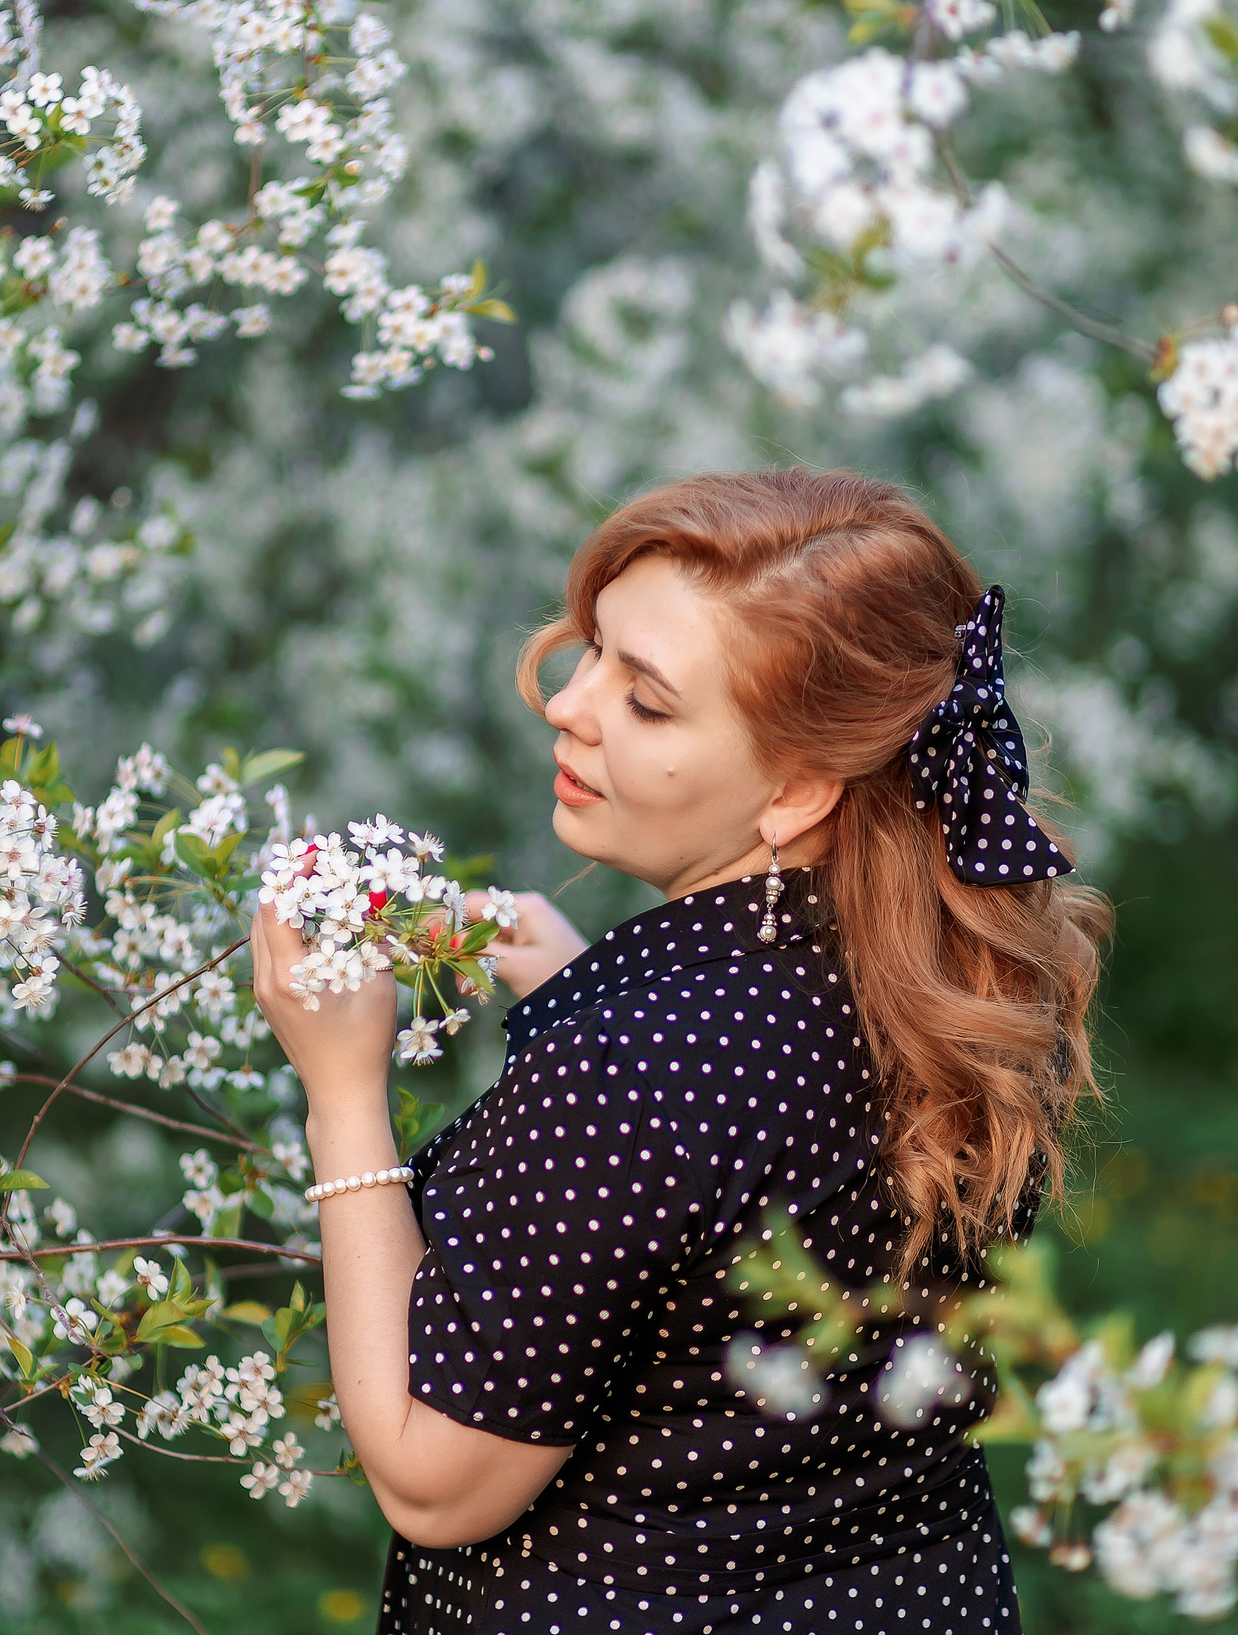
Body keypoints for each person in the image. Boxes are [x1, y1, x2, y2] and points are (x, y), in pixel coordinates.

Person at [250, 468, 1112, 1633]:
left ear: (799, 788)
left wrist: (343, 1092)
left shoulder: (636, 1069)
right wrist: (575, 988)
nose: (569, 703)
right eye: (593, 649)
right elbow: (726, 1224)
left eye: (646, 701)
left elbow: (433, 1482)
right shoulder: (964, 988)